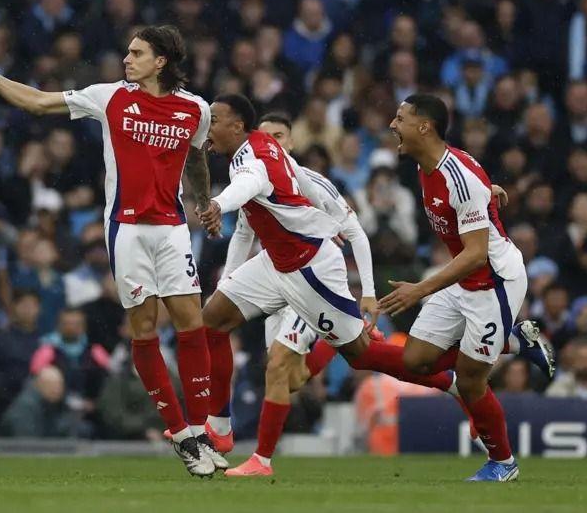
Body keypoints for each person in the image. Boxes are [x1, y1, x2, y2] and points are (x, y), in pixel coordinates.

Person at [0, 25, 223, 476]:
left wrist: (205, 200)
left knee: (192, 322)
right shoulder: (110, 96)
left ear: (162, 62)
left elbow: (194, 157)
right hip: (127, 228)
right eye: (127, 52)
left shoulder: (196, 109)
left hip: (173, 227)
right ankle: (181, 433)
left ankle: (199, 430)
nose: (126, 59)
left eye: (136, 53)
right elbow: (38, 101)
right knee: (145, 328)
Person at [196, 94, 462, 476]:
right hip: (274, 262)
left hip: (310, 269)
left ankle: (447, 375)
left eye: (215, 119)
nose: (208, 126)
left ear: (237, 125)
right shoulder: (265, 148)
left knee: (360, 355)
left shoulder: (253, 161)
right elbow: (267, 205)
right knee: (213, 320)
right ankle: (221, 429)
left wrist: (220, 203)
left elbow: (249, 185)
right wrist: (232, 277)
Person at [378, 94, 554, 482]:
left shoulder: (457, 174)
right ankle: (514, 342)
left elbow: (476, 254)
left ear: (425, 126)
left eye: (400, 118)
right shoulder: (431, 166)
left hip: (494, 282)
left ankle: (503, 463)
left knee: (471, 379)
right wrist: (488, 195)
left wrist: (419, 290)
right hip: (463, 279)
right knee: (415, 360)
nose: (393, 125)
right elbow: (467, 189)